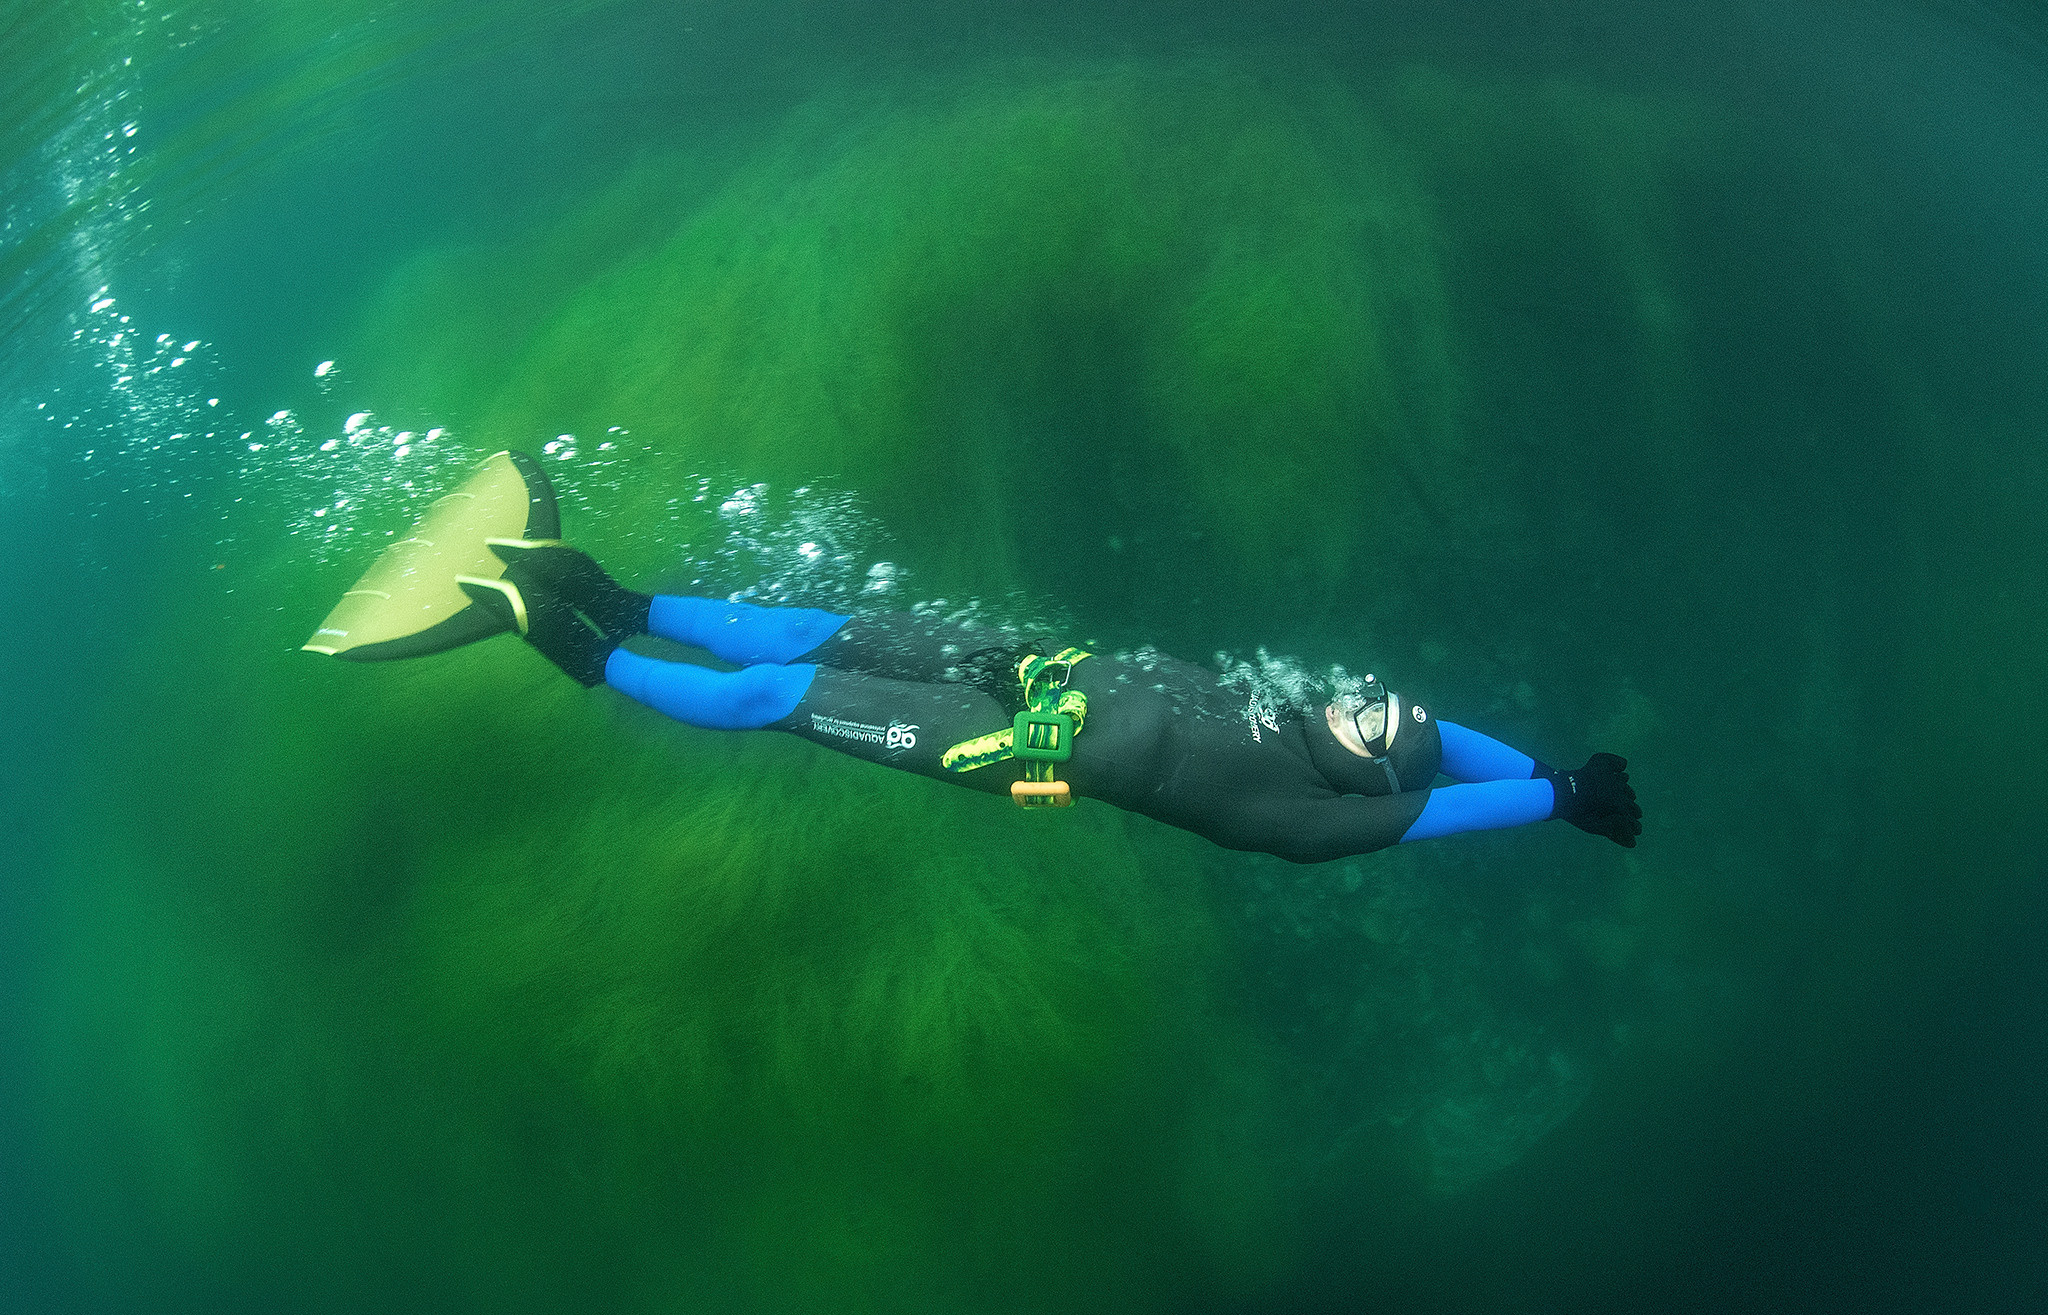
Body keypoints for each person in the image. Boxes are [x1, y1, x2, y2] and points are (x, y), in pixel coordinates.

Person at [305, 451, 1641, 862]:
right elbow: (1447, 747)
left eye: (1378, 725)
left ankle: (572, 650)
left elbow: (1440, 805)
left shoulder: (1305, 816)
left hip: (1020, 748)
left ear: (1368, 781)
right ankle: (612, 590)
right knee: (798, 624)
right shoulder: (1318, 718)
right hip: (1027, 664)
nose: (1377, 703)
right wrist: (1559, 770)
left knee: (776, 694)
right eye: (1384, 697)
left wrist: (1554, 805)